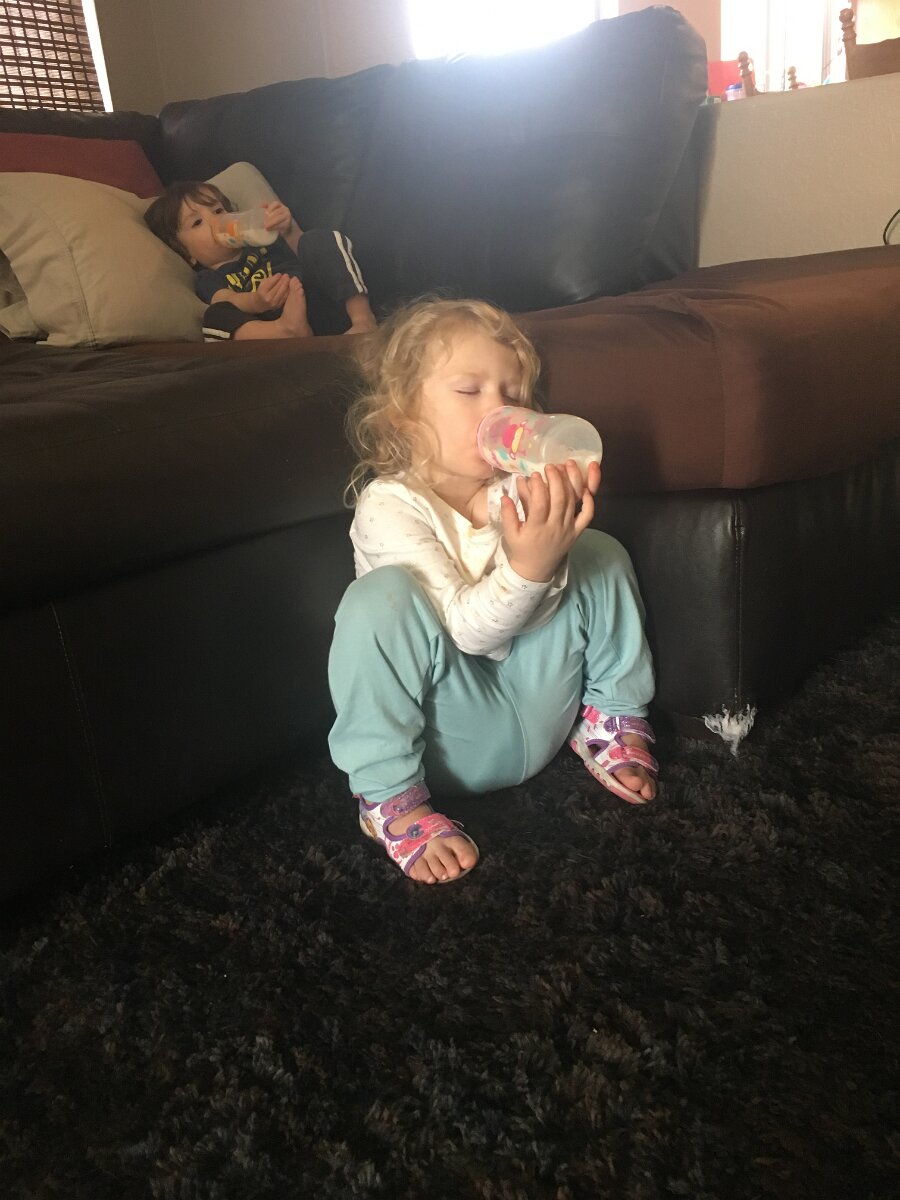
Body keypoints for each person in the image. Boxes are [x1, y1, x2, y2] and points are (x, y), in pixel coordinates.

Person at [328, 298, 658, 885]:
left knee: (597, 551)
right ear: (402, 414)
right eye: (469, 389)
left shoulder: (515, 487)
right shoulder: (389, 506)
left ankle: (611, 715)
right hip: (452, 738)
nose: (500, 409)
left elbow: (543, 612)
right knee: (376, 601)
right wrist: (530, 566)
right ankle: (389, 800)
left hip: (541, 702)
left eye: (513, 393)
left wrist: (555, 542)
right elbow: (468, 632)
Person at [144, 180, 377, 342]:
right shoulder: (209, 278)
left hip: (320, 302)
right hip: (272, 325)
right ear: (187, 254)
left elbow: (303, 252)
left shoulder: (264, 242)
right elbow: (227, 298)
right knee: (215, 316)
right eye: (197, 223)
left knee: (316, 240)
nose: (216, 222)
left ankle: (363, 318)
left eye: (218, 211)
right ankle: (286, 330)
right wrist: (256, 301)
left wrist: (288, 228)